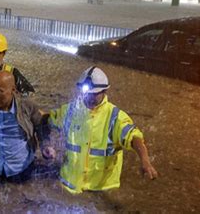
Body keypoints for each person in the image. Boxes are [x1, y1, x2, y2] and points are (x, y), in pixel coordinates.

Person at [44, 66, 158, 194]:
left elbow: (134, 138)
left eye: (95, 93)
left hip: (100, 190)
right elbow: (47, 120)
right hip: (68, 187)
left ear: (105, 91)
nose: (90, 97)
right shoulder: (69, 111)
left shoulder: (115, 117)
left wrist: (145, 160)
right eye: (87, 93)